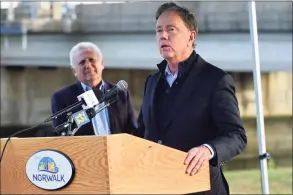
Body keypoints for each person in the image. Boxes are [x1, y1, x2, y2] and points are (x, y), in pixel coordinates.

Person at [135, 2, 247, 195]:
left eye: (171, 29)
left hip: (201, 187)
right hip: (157, 186)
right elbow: (141, 134)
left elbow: (236, 135)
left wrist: (208, 149)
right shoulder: (152, 82)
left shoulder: (216, 80)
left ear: (191, 36)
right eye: (159, 30)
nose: (163, 35)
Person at [39, 42, 137, 137]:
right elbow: (61, 135)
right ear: (74, 71)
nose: (88, 65)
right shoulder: (61, 98)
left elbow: (132, 130)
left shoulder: (119, 92)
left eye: (92, 60)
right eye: (82, 62)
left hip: (116, 152)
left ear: (102, 64)